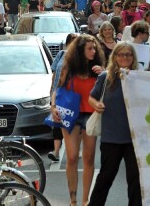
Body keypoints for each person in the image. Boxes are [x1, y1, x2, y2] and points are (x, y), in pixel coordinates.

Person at [50, 34, 104, 206]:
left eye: (94, 48)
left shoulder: (97, 69)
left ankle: (85, 200)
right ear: (80, 50)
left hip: (90, 115)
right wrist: (52, 107)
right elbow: (56, 89)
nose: (93, 51)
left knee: (89, 158)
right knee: (72, 157)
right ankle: (72, 200)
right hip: (70, 114)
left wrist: (104, 74)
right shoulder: (69, 67)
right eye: (89, 48)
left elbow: (109, 89)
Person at [87, 42, 142, 206]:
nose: (125, 57)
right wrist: (95, 105)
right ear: (115, 57)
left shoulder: (139, 78)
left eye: (128, 54)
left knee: (135, 181)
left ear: (133, 58)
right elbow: (92, 97)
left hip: (133, 139)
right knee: (105, 178)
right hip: (111, 138)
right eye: (121, 54)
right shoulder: (105, 77)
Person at [48, 33, 78, 162]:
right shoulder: (61, 54)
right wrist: (51, 89)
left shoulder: (80, 58)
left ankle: (76, 149)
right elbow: (54, 73)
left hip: (72, 94)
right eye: (72, 41)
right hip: (58, 92)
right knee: (56, 121)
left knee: (74, 122)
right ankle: (56, 152)